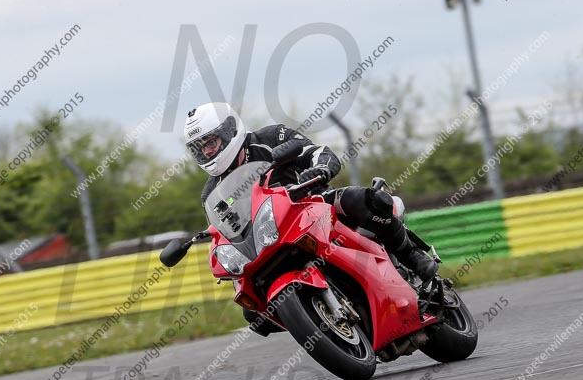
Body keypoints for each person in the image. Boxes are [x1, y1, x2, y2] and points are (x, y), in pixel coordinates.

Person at [185, 102, 438, 337]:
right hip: (270, 235)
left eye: (211, 142)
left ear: (230, 131)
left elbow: (316, 152)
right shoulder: (211, 192)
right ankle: (312, 315)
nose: (207, 151)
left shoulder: (270, 138)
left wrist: (320, 168)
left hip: (313, 204)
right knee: (253, 312)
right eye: (201, 147)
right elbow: (227, 227)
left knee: (364, 200)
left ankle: (411, 256)